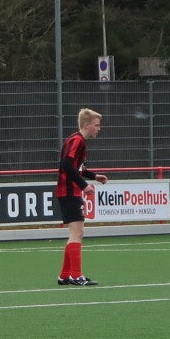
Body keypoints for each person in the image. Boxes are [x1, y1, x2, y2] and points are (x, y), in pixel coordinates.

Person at [55, 108, 109, 286]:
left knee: (75, 233)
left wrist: (94, 176)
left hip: (69, 191)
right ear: (86, 125)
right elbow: (66, 165)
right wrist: (84, 185)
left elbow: (77, 168)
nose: (99, 128)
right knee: (77, 233)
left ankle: (65, 275)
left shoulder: (78, 140)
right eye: (96, 125)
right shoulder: (77, 140)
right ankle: (76, 275)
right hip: (69, 192)